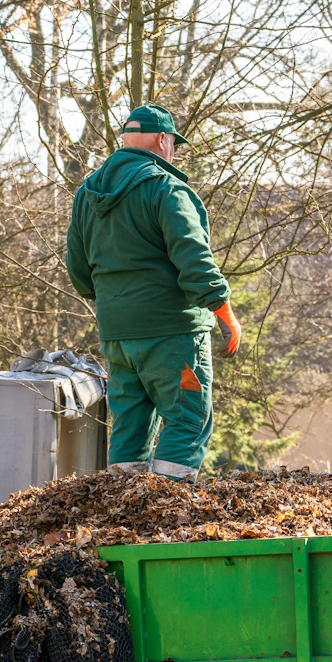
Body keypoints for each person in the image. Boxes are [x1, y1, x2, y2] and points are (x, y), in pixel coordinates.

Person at [65, 104, 241, 480]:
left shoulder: (87, 195)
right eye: (173, 142)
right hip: (171, 335)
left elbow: (79, 273)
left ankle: (124, 514)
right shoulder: (167, 189)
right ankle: (167, 511)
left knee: (129, 428)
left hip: (117, 338)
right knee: (188, 420)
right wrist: (224, 312)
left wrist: (119, 303)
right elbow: (194, 260)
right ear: (163, 140)